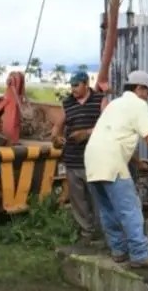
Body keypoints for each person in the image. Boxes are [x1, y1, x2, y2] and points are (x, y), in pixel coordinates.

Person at [84, 70, 148, 269]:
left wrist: (136, 162)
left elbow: (114, 136)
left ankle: (118, 251)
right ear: (139, 89)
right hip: (111, 161)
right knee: (130, 209)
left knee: (108, 209)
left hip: (92, 160)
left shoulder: (114, 104)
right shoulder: (138, 105)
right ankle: (140, 255)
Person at [51, 70, 107, 244]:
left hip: (95, 160)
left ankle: (103, 233)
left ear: (86, 84)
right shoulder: (67, 104)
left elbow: (108, 125)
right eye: (71, 86)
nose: (73, 89)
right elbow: (57, 127)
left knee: (98, 198)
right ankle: (86, 232)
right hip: (73, 159)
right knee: (78, 200)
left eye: (76, 85)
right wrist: (56, 138)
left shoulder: (100, 100)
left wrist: (87, 133)